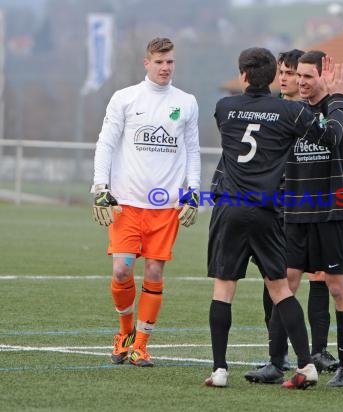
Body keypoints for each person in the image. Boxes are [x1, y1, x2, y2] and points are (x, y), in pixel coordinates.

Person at [205, 47, 343, 389]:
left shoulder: (224, 108)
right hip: (268, 210)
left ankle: (220, 371)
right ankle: (306, 365)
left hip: (229, 207)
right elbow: (331, 137)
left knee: (224, 289)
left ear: (242, 75)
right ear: (275, 77)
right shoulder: (287, 111)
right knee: (282, 289)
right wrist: (339, 97)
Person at [246, 50, 343, 388]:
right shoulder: (290, 111)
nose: (300, 81)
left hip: (331, 212)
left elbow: (337, 141)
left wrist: (338, 97)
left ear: (324, 77)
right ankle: (275, 362)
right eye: (298, 75)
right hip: (295, 214)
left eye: (308, 76)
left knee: (338, 288)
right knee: (286, 283)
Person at [91, 37, 201, 367]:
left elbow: (193, 150)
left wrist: (193, 189)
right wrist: (100, 186)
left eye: (170, 62)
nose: (166, 67)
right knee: (122, 269)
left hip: (165, 206)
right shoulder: (125, 98)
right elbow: (106, 143)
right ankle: (124, 332)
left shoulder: (186, 102)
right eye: (159, 62)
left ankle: (141, 345)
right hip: (126, 203)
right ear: (147, 63)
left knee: (154, 271)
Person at [256, 49, 340, 375]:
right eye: (284, 72)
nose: (287, 78)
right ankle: (277, 353)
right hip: (278, 207)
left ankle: (318, 350)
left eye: (292, 72)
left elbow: (335, 154)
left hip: (314, 207)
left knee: (320, 276)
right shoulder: (274, 113)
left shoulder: (312, 111)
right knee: (278, 281)